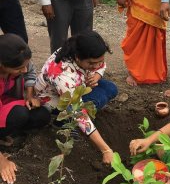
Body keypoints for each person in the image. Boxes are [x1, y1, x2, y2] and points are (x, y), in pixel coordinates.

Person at [35, 31, 118, 164]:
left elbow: (101, 66)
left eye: (99, 61)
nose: (96, 66)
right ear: (78, 58)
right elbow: (79, 112)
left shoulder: (80, 51)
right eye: (92, 64)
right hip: (54, 100)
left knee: (110, 88)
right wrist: (106, 150)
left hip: (77, 86)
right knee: (92, 103)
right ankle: (62, 121)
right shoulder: (62, 75)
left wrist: (96, 75)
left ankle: (70, 117)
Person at [0, 34, 51, 184]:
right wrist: (2, 160)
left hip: (5, 102)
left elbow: (29, 71)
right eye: (18, 68)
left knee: (42, 115)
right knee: (20, 115)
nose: (23, 70)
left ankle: (6, 133)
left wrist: (29, 96)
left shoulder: (20, 63)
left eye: (24, 65)